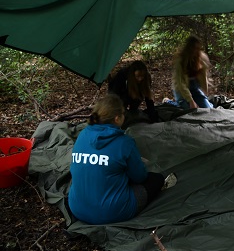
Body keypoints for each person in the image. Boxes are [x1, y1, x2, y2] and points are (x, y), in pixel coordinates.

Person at [68, 94, 173, 225]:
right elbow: (140, 177)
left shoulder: (83, 134)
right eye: (124, 113)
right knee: (156, 179)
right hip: (112, 212)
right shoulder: (124, 143)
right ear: (117, 118)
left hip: (77, 208)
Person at [172, 34, 213, 109]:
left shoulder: (201, 58)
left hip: (194, 87)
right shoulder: (180, 61)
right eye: (194, 48)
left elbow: (204, 78)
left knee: (207, 109)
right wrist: (191, 101)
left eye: (198, 48)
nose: (196, 51)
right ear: (189, 48)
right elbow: (181, 84)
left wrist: (204, 96)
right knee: (188, 108)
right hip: (181, 90)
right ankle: (168, 102)